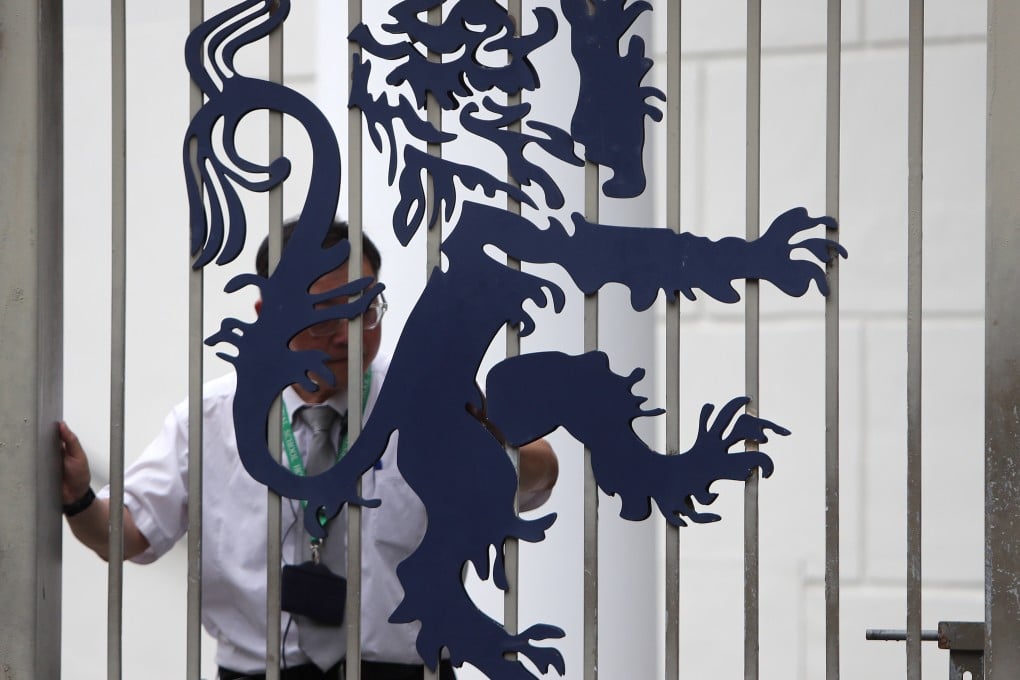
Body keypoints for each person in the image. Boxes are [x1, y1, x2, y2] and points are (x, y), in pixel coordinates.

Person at [60, 220, 559, 680]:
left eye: (363, 312)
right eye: (323, 319)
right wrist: (80, 497)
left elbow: (537, 479)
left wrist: (488, 428)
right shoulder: (210, 419)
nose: (347, 337)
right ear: (265, 315)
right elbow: (126, 535)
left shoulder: (427, 402)